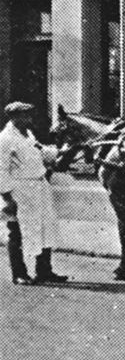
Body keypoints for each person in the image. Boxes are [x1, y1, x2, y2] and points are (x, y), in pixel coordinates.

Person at [0, 101, 67, 284]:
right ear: (14, 117)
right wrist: (7, 197)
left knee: (45, 229)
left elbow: (41, 151)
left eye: (29, 115)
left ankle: (44, 271)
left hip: (39, 187)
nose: (29, 118)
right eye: (25, 115)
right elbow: (1, 170)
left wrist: (60, 152)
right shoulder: (5, 139)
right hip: (20, 191)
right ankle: (19, 274)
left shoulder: (28, 134)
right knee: (18, 232)